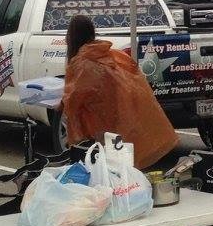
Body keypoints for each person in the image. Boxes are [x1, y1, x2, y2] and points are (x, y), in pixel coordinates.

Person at [61, 14, 179, 169]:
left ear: (72, 37)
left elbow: (75, 97)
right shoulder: (111, 54)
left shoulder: (83, 62)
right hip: (119, 116)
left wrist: (63, 102)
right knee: (120, 165)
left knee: (104, 167)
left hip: (99, 123)